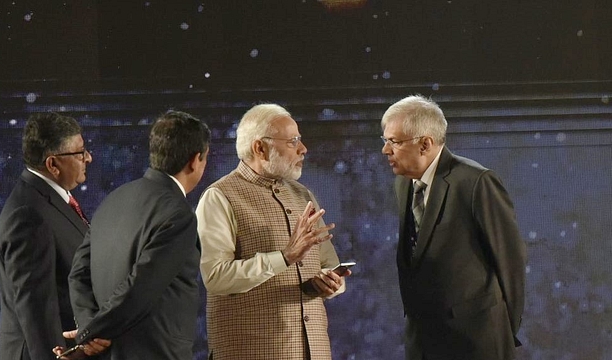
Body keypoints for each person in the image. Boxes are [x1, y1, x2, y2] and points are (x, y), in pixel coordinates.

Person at [196, 103, 351, 360]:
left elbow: (329, 265)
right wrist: (285, 258)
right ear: (260, 148)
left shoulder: (304, 195)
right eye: (293, 141)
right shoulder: (220, 197)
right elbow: (216, 277)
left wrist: (332, 283)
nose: (303, 149)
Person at [380, 95, 527, 360]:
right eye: (385, 141)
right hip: (423, 341)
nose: (385, 150)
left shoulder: (475, 182)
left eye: (394, 142)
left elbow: (510, 262)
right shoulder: (403, 184)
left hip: (475, 341)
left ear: (425, 143)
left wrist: (503, 332)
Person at [65, 111, 210, 360]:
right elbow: (141, 288)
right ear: (195, 160)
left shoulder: (113, 199)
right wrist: (89, 334)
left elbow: (78, 274)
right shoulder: (179, 214)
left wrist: (89, 331)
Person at [0, 112, 108, 359]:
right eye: (79, 153)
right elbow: (36, 307)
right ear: (53, 164)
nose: (88, 157)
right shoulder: (28, 214)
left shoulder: (50, 200)